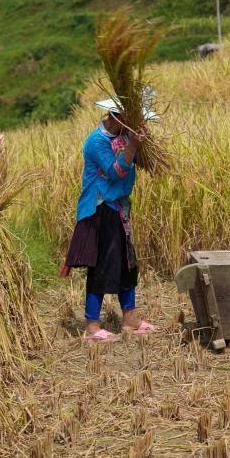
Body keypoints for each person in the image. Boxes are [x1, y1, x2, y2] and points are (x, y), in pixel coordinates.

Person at [62, 98, 158, 342]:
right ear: (118, 117)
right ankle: (92, 326)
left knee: (128, 263)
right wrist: (133, 145)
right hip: (100, 208)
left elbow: (143, 161)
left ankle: (130, 318)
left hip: (119, 207)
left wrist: (142, 143)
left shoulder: (125, 136)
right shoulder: (97, 142)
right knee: (102, 265)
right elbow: (116, 172)